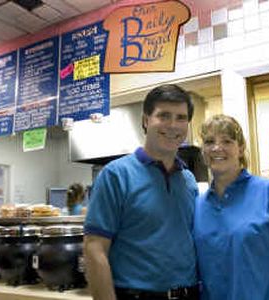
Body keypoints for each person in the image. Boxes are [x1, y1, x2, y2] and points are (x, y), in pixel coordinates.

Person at [84, 84, 199, 300]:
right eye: (163, 116)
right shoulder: (116, 175)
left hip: (188, 293)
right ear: (146, 120)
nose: (173, 125)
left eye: (181, 118)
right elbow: (94, 249)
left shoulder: (189, 180)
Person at [194, 114, 269, 300]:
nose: (217, 148)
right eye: (209, 141)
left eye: (227, 141)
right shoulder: (197, 205)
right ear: (203, 151)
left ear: (240, 148)